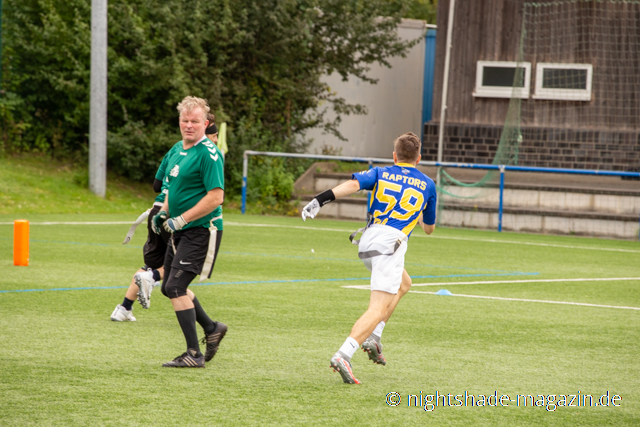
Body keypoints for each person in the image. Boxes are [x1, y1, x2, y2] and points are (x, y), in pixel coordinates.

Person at [301, 132, 437, 384]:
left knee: (404, 284)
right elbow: (429, 229)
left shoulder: (381, 171)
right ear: (419, 158)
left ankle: (375, 336)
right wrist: (418, 209)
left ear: (395, 156)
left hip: (368, 240)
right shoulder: (428, 184)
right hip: (390, 245)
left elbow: (353, 185)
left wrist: (320, 200)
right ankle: (344, 353)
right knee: (377, 308)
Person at [151, 96, 227, 368]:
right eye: (185, 120)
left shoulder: (209, 153)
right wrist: (164, 211)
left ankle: (194, 354)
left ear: (205, 123)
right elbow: (172, 187)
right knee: (168, 288)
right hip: (181, 229)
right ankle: (212, 327)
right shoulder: (178, 149)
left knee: (174, 286)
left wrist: (180, 219)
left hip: (202, 230)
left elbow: (215, 197)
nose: (189, 125)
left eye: (195, 121)